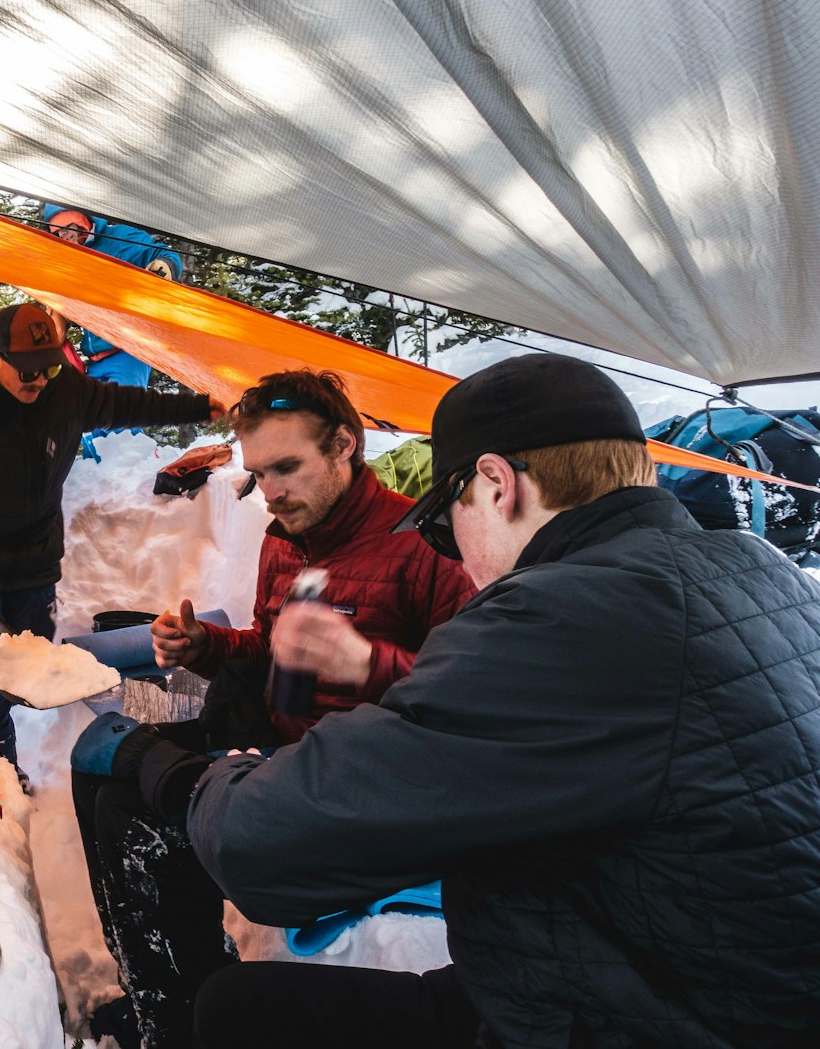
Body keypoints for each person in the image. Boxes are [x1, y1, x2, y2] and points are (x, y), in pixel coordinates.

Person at [131, 353, 820, 1048]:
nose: (453, 552)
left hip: (640, 1014)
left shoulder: (566, 613)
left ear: (495, 485)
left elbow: (265, 848)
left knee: (238, 1012)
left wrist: (192, 773)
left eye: (444, 522)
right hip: (656, 963)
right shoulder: (762, 569)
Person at [71, 369, 475, 1048]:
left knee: (138, 815)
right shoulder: (286, 538)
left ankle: (179, 1017)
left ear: (345, 444)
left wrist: (365, 663)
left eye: (288, 467)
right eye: (259, 473)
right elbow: (267, 646)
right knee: (99, 768)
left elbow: (467, 700)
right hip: (277, 748)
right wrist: (205, 646)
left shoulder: (423, 551)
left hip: (358, 795)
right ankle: (163, 991)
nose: (273, 492)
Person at [0, 302, 222, 780]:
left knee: (37, 657)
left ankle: (48, 739)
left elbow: (127, 402)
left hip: (35, 559)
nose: (38, 382)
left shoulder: (64, 393)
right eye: (26, 372)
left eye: (48, 369)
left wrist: (195, 405)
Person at [42, 203, 185, 389]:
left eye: (65, 226)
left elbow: (163, 253)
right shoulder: (69, 259)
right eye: (56, 232)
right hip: (95, 358)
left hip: (129, 351)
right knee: (93, 414)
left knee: (124, 413)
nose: (62, 235)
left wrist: (165, 266)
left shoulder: (118, 237)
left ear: (81, 221)